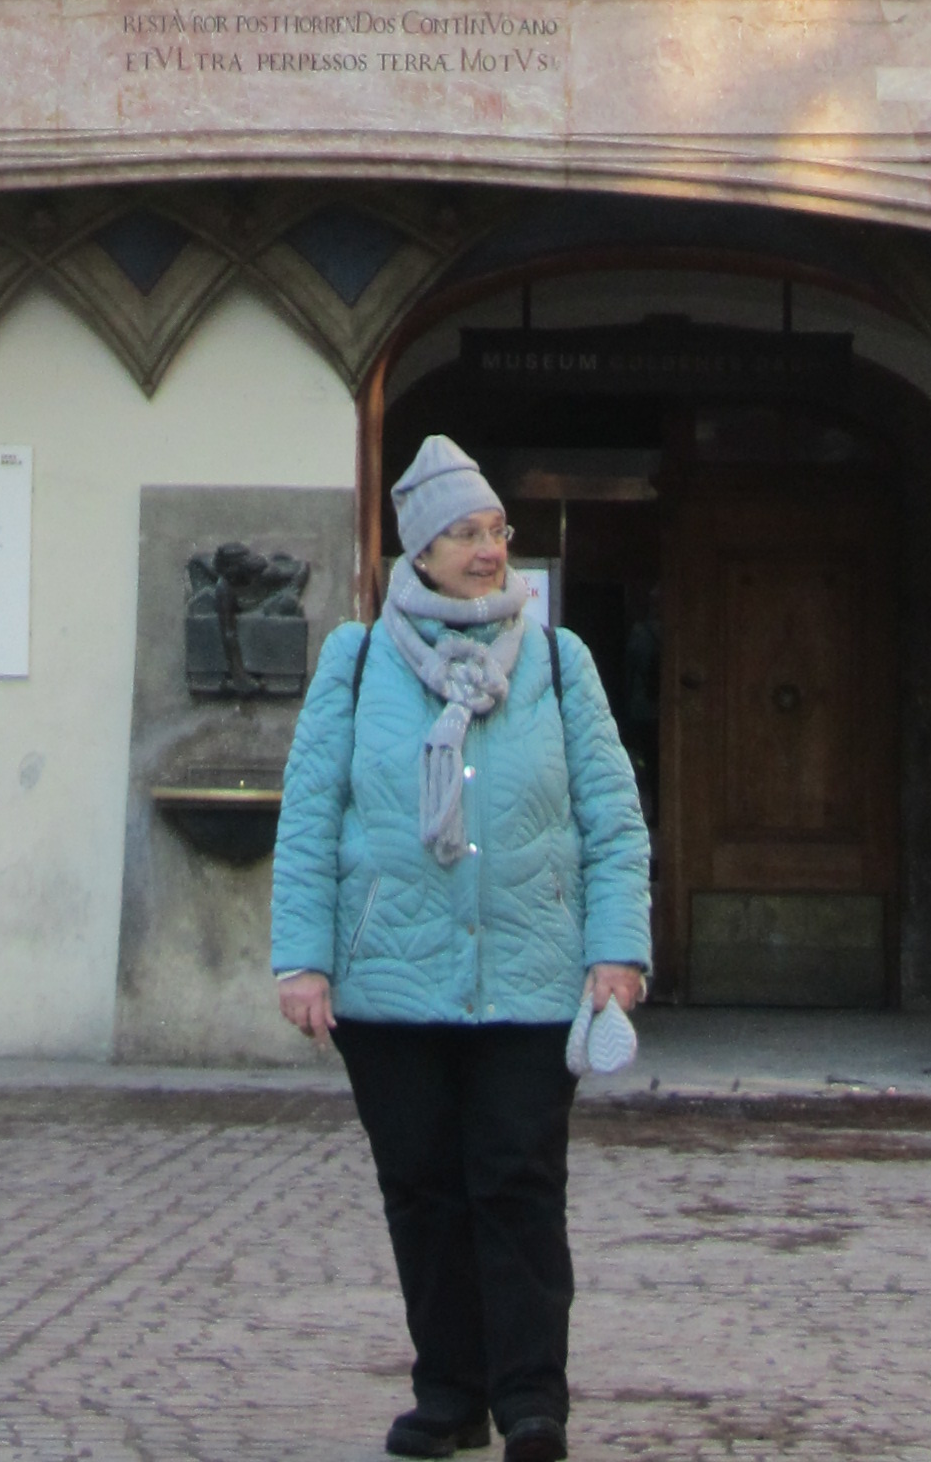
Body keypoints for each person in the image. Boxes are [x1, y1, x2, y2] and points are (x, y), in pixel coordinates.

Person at [272, 437, 650, 1462]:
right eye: (467, 534)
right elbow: (310, 820)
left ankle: (531, 1400)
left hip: (530, 980)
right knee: (424, 1194)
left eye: (497, 531)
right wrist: (303, 962)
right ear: (422, 552)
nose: (490, 551)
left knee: (518, 1184)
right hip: (388, 984)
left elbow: (612, 819)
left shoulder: (559, 664)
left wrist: (617, 949)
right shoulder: (356, 663)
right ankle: (449, 1395)